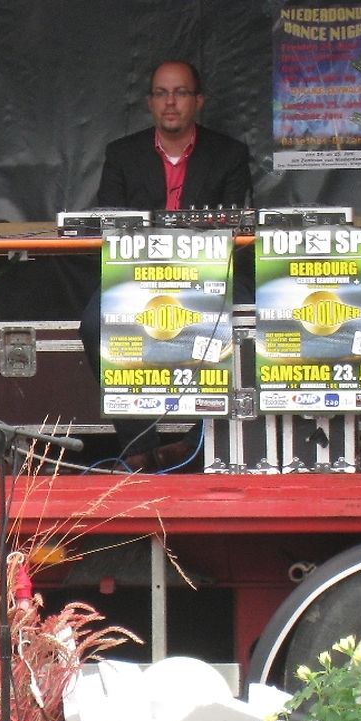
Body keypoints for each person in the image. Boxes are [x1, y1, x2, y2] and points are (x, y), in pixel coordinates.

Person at [79, 59, 253, 470]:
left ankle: (198, 442)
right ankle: (140, 447)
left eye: (180, 93)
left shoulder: (229, 153)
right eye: (161, 93)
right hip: (137, 276)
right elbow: (110, 224)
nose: (170, 102)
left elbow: (235, 228)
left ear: (199, 101)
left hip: (209, 276)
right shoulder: (122, 153)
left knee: (253, 321)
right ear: (150, 102)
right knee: (94, 323)